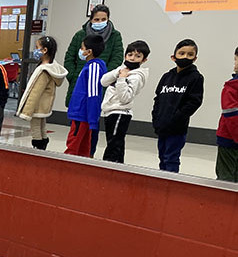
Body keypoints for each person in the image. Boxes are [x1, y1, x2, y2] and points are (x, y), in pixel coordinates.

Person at [63, 4, 124, 157]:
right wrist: (73, 77)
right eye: (96, 19)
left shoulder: (114, 37)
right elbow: (69, 58)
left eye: (103, 19)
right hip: (79, 90)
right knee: (78, 136)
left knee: (85, 137)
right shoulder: (80, 35)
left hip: (91, 100)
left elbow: (117, 59)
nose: (100, 22)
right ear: (90, 19)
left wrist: (104, 79)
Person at [151, 39, 204, 173]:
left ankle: (171, 187)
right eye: (182, 53)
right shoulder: (167, 76)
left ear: (195, 58)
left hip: (177, 128)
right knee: (162, 157)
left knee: (171, 158)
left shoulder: (196, 78)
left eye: (190, 54)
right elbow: (158, 98)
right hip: (162, 125)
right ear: (173, 57)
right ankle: (162, 183)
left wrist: (177, 118)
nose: (185, 57)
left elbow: (194, 102)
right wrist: (156, 118)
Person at [100, 40, 150, 163]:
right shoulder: (121, 70)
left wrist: (122, 79)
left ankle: (108, 168)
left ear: (143, 60)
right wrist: (118, 72)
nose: (133, 58)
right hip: (109, 111)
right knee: (116, 144)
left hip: (120, 113)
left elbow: (125, 98)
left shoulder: (136, 76)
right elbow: (103, 81)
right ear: (125, 55)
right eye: (130, 55)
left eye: (138, 56)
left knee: (113, 145)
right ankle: (118, 169)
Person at [15, 36, 68, 150]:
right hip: (44, 106)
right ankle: (43, 143)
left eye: (37, 48)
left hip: (37, 106)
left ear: (44, 50)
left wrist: (27, 111)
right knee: (42, 125)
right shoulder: (52, 67)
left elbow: (35, 92)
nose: (35, 51)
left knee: (35, 128)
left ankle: (38, 146)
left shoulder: (43, 71)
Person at [65, 35, 107, 157]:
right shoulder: (89, 66)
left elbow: (93, 95)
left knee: (73, 147)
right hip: (81, 115)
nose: (81, 50)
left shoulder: (94, 67)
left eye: (82, 48)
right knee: (83, 149)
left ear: (89, 52)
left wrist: (93, 119)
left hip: (82, 115)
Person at [216, 46, 238, 182]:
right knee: (227, 178)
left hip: (230, 139)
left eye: (236, 60)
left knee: (227, 180)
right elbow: (231, 116)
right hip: (229, 140)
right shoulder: (231, 87)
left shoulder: (231, 87)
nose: (234, 63)